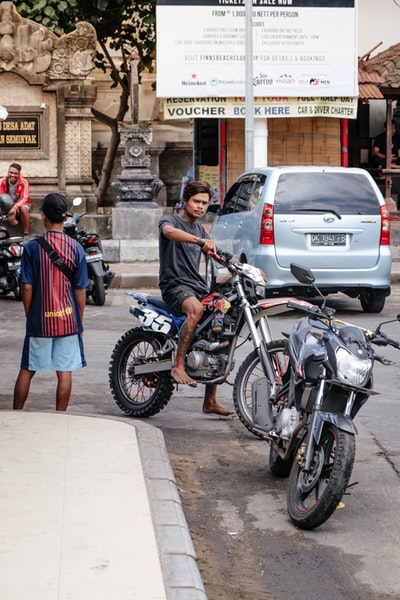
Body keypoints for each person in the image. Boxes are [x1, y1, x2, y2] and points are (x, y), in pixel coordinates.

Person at [158, 180, 234, 417]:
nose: (201, 207)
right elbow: (169, 233)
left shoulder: (201, 230)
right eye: (196, 202)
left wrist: (243, 267)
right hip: (174, 286)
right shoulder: (170, 221)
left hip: (196, 286)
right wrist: (200, 241)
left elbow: (219, 255)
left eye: (204, 203)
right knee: (196, 310)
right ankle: (178, 366)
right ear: (185, 201)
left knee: (226, 318)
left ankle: (210, 400)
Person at [13, 193, 88, 411]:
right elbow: (80, 289)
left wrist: (30, 314)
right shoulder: (76, 248)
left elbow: (27, 286)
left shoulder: (32, 248)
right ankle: (60, 417)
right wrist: (79, 321)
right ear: (65, 218)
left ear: (43, 216)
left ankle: (16, 413)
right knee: (64, 372)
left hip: (40, 321)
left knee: (27, 369)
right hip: (67, 321)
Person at [0, 162, 32, 235]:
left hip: (21, 204)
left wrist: (15, 207)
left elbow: (24, 198)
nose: (13, 175)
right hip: (7, 204)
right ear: (8, 172)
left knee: (23, 208)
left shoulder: (24, 182)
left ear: (19, 174)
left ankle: (26, 233)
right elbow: (1, 196)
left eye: (15, 173)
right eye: (11, 172)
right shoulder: (2, 181)